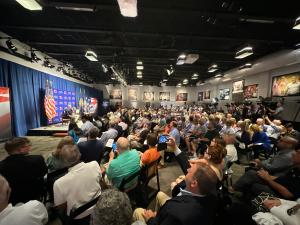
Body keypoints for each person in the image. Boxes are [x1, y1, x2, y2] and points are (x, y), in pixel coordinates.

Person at [132, 161, 218, 225]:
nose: (187, 170)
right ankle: (159, 215)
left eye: (189, 171)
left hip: (173, 215)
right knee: (160, 194)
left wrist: (151, 219)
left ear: (194, 183)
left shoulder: (174, 212)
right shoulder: (211, 195)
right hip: (174, 211)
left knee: (138, 211)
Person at [53, 145, 102, 222]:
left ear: (64, 162)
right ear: (80, 154)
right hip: (98, 206)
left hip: (78, 217)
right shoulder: (94, 164)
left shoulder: (59, 183)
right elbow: (99, 181)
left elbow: (60, 207)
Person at [0, 137, 47, 205]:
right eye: (28, 146)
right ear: (21, 149)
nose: (30, 147)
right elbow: (43, 172)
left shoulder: (1, 166)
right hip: (34, 195)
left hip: (11, 199)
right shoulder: (37, 159)